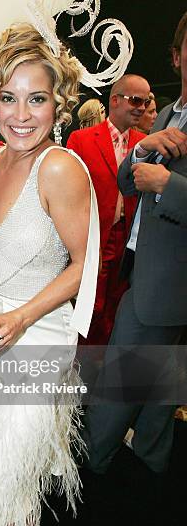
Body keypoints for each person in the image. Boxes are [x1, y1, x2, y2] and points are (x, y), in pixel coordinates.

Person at [0, 22, 100, 526]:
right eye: (9, 98)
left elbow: (86, 264)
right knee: (0, 486)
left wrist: (22, 316)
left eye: (36, 99)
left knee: (7, 489)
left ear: (57, 103)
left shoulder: (60, 167)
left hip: (35, 337)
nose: (21, 114)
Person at [83, 10, 187, 526]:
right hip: (143, 273)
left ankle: (94, 476)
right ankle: (148, 480)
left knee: (117, 393)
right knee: (157, 400)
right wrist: (145, 157)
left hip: (165, 285)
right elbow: (127, 180)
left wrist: (168, 184)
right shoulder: (166, 115)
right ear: (176, 56)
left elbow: (158, 189)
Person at [67, 75, 148, 345]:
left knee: (119, 308)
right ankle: (81, 372)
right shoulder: (81, 139)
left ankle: (109, 373)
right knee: (90, 308)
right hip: (92, 240)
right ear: (115, 100)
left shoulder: (145, 143)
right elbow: (69, 197)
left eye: (146, 102)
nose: (142, 107)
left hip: (129, 242)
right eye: (136, 100)